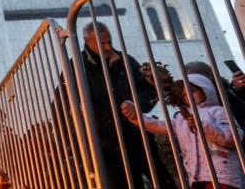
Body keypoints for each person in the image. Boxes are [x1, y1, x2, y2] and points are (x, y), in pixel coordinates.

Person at [80, 22, 176, 189]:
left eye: (109, 41)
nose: (108, 47)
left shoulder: (125, 60)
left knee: (162, 180)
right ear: (87, 42)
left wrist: (136, 105)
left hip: (138, 136)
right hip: (106, 144)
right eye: (101, 43)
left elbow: (149, 89)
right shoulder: (77, 67)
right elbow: (65, 106)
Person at [122, 73, 245, 188]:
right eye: (185, 95)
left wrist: (202, 126)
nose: (188, 96)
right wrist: (136, 116)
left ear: (206, 90)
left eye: (192, 91)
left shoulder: (218, 111)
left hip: (223, 176)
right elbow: (158, 126)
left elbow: (231, 137)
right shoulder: (182, 118)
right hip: (196, 178)